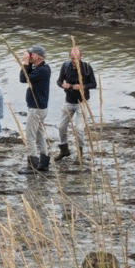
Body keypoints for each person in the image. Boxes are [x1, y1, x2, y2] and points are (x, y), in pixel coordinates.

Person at [55, 47, 97, 161]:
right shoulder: (65, 66)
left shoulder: (87, 67)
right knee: (61, 127)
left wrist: (82, 86)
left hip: (82, 103)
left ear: (81, 57)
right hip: (68, 101)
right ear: (70, 57)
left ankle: (79, 153)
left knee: (79, 129)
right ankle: (64, 150)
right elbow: (58, 81)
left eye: (77, 58)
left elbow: (94, 84)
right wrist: (62, 85)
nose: (75, 60)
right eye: (73, 58)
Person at [18, 45, 51, 174]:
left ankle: (32, 166)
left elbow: (23, 78)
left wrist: (25, 63)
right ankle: (44, 164)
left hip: (36, 109)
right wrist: (29, 64)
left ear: (38, 56)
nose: (29, 56)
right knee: (40, 135)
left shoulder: (42, 70)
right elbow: (28, 76)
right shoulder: (42, 68)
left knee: (30, 137)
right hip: (41, 108)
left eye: (32, 54)